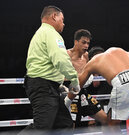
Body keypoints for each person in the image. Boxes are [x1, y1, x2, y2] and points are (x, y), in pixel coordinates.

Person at [20, 5, 80, 134]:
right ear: (54, 16)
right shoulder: (51, 33)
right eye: (62, 19)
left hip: (46, 86)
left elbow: (49, 64)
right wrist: (74, 79)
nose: (63, 24)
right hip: (42, 86)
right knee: (42, 127)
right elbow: (61, 60)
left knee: (64, 124)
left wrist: (58, 84)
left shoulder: (41, 33)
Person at [64, 29, 108, 128]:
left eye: (88, 43)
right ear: (76, 42)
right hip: (69, 93)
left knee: (105, 119)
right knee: (70, 125)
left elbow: (95, 78)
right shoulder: (65, 55)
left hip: (83, 93)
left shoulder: (87, 56)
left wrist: (94, 75)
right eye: (83, 42)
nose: (86, 46)